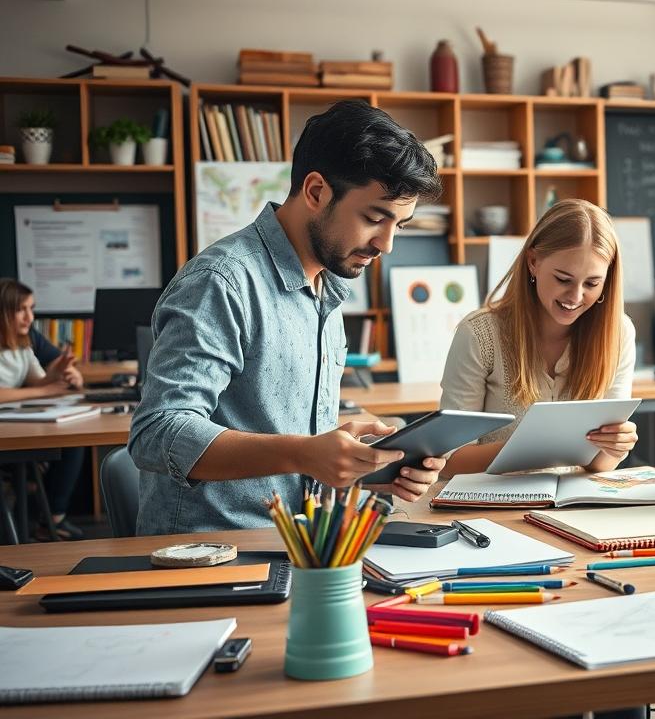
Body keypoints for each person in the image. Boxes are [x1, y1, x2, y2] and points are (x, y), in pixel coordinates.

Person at [129, 100, 446, 535]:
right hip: (214, 555)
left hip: (301, 542)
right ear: (316, 191)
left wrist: (363, 461)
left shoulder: (327, 288)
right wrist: (303, 452)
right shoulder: (221, 282)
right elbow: (157, 432)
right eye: (375, 218)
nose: (387, 245)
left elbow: (282, 434)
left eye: (400, 226)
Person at [438, 198, 637, 474]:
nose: (576, 297)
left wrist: (616, 445)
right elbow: (450, 462)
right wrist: (537, 446)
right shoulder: (479, 334)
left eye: (592, 283)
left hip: (572, 506)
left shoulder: (618, 333)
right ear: (533, 262)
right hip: (490, 506)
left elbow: (599, 465)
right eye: (563, 279)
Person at [0, 278, 86, 539]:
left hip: (14, 426)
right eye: (21, 310)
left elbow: (38, 379)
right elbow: (37, 389)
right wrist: (44, 390)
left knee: (73, 438)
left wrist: (57, 372)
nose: (30, 317)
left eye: (31, 308)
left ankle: (51, 518)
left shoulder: (21, 344)